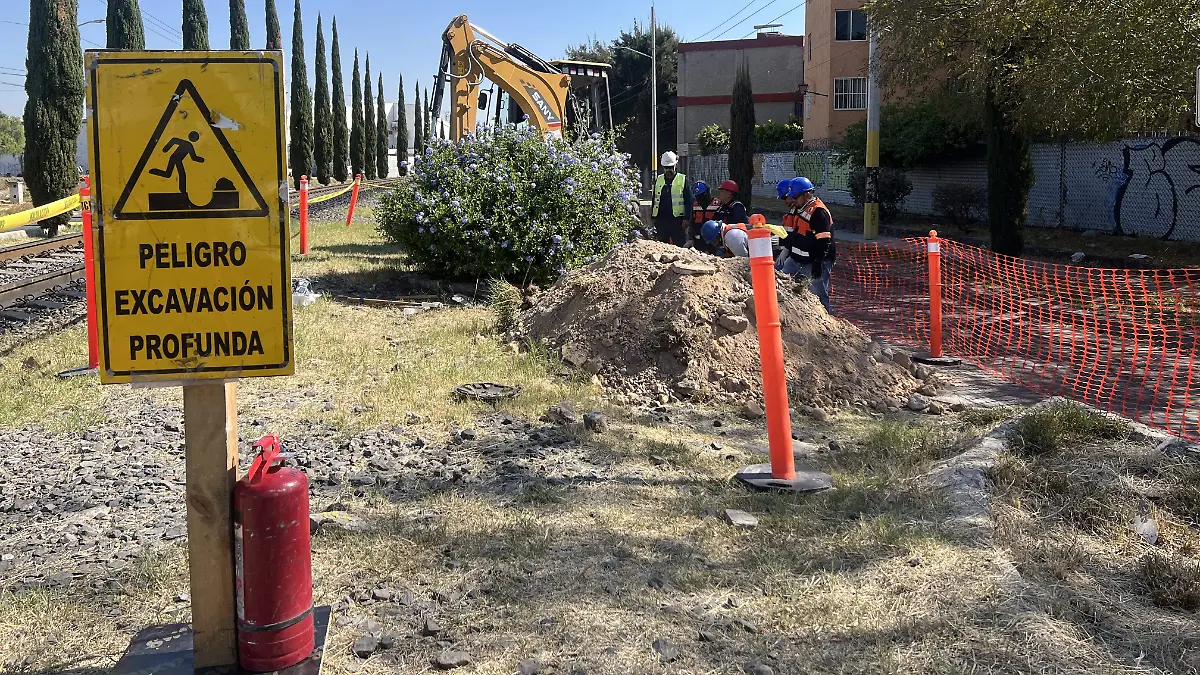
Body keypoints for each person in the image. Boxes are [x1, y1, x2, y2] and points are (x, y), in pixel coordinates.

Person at [778, 176, 837, 312]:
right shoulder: (801, 208)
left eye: (795, 197)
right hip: (796, 259)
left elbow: (823, 241)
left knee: (818, 296)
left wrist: (817, 263)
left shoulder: (818, 212)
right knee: (781, 283)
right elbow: (797, 232)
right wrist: (788, 249)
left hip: (815, 261)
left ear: (807, 194)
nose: (792, 200)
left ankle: (825, 325)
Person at [651, 151, 692, 247]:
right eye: (666, 168)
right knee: (662, 247)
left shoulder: (682, 179)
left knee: (679, 247)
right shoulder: (659, 180)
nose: (668, 170)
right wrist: (653, 217)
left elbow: (689, 200)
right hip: (661, 220)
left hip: (677, 221)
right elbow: (655, 199)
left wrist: (686, 218)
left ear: (676, 165)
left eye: (670, 167)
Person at [689, 181, 719, 245]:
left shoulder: (717, 204)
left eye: (702, 195)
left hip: (714, 240)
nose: (700, 198)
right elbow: (692, 223)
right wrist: (691, 239)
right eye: (697, 196)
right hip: (698, 240)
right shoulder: (695, 206)